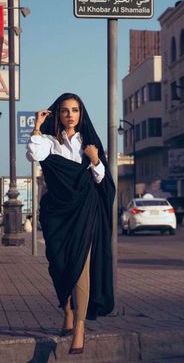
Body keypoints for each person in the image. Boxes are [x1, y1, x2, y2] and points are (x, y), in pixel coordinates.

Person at [26, 93, 115, 355]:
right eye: (64, 111)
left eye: (75, 110)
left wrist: (95, 160)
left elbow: (103, 183)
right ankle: (66, 309)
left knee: (81, 270)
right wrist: (36, 127)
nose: (70, 115)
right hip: (56, 214)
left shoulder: (90, 143)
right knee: (59, 265)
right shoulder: (50, 143)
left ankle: (79, 326)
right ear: (58, 114)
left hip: (84, 214)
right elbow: (33, 154)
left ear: (81, 114)